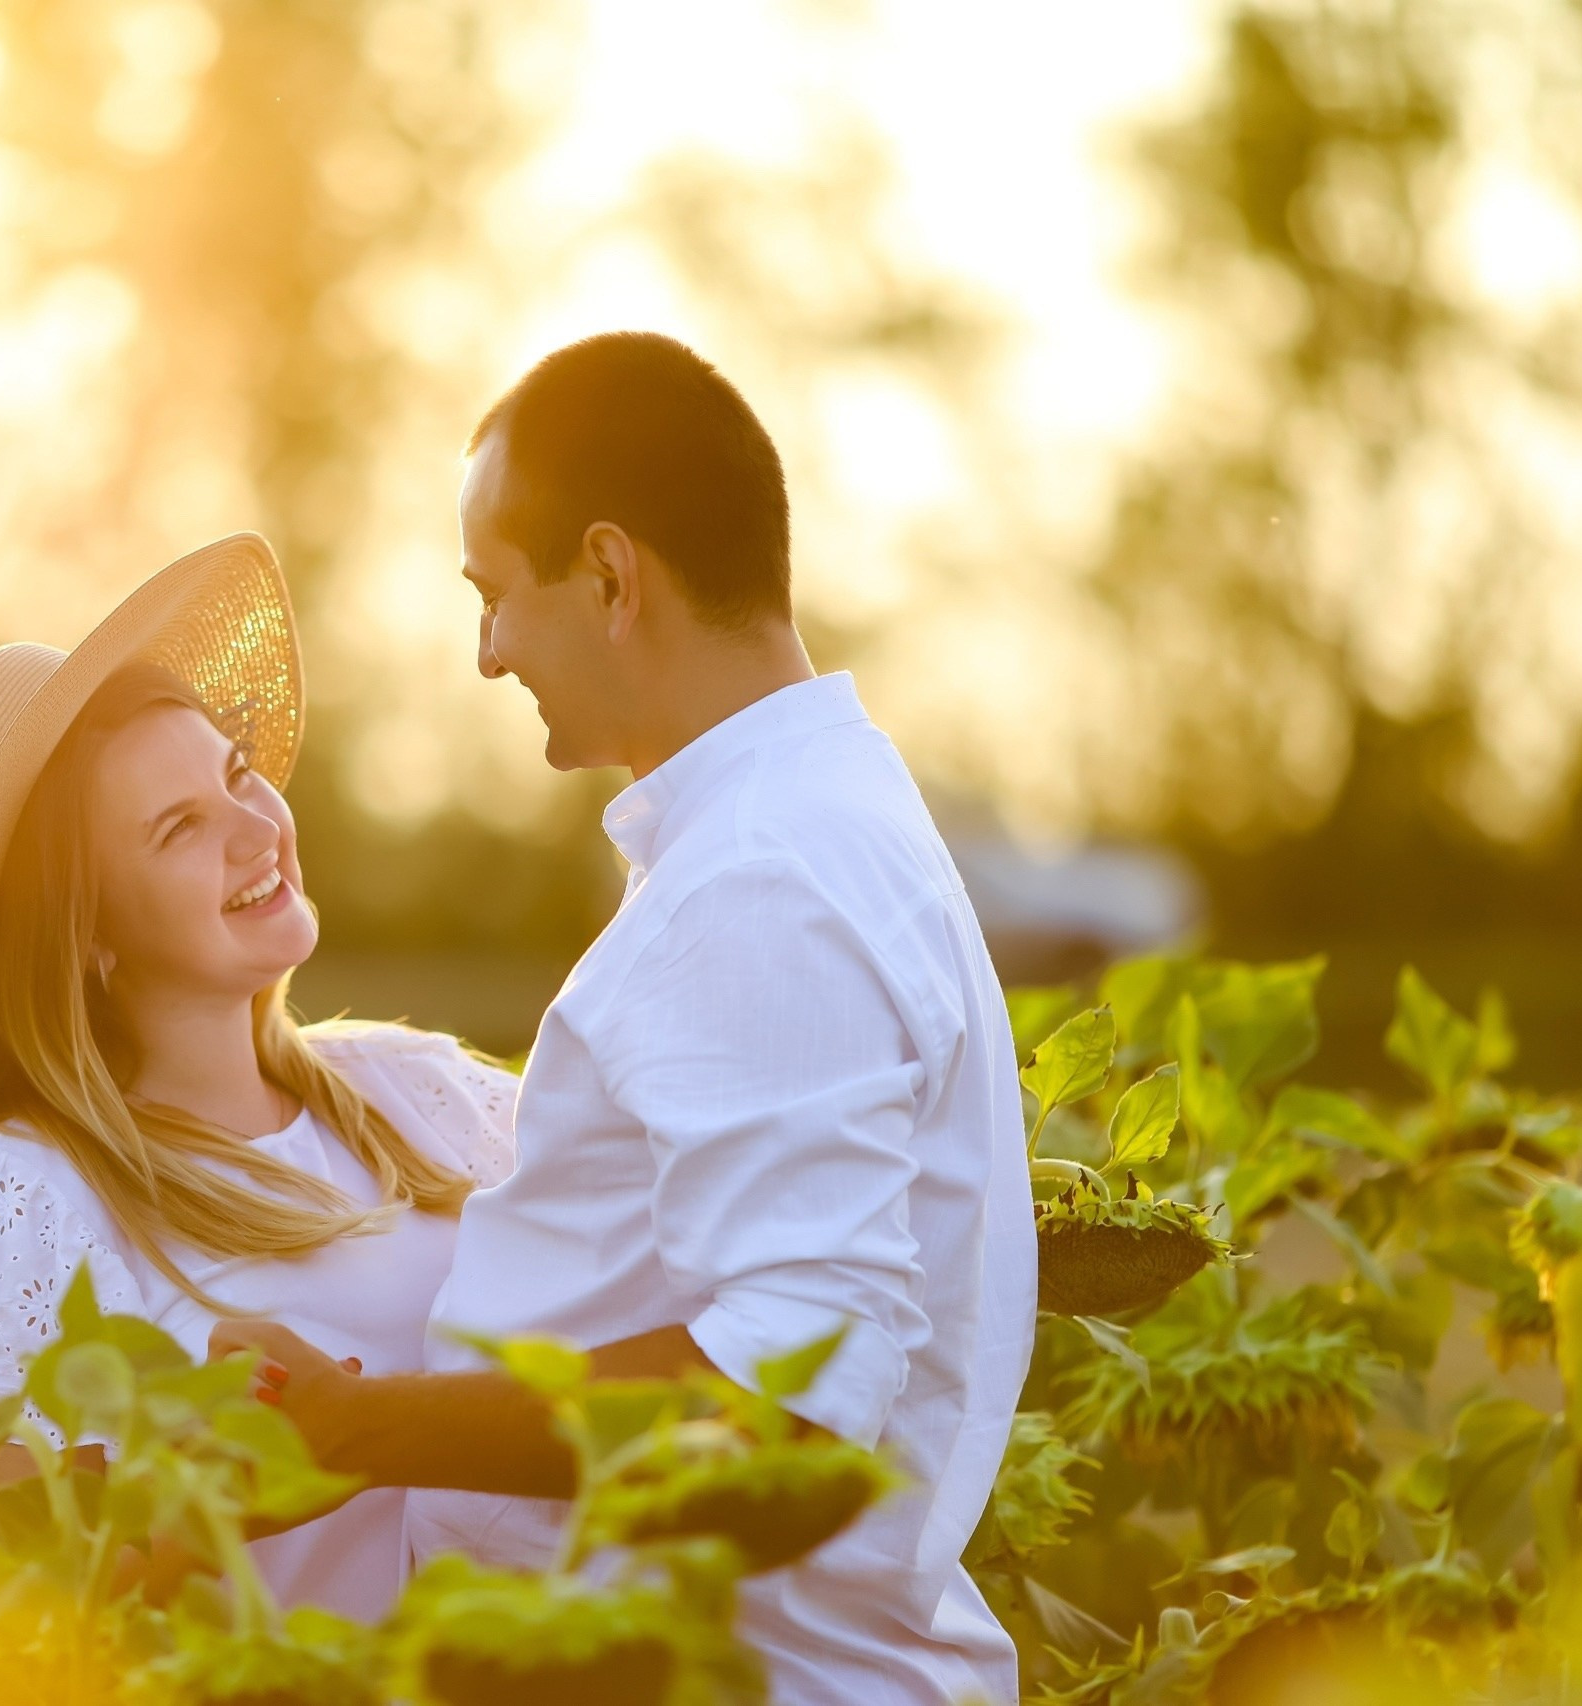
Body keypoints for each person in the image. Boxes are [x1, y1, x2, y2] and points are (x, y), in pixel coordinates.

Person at [212, 333, 1038, 1704]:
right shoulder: (810, 826)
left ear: (608, 574)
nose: (485, 655)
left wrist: (353, 1423)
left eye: (493, 595)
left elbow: (789, 1409)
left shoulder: (762, 879)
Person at [0, 534, 518, 1624]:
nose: (256, 829)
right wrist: (211, 1492)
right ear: (89, 935)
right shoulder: (13, 1211)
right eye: (178, 827)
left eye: (235, 775)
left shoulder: (422, 1093)